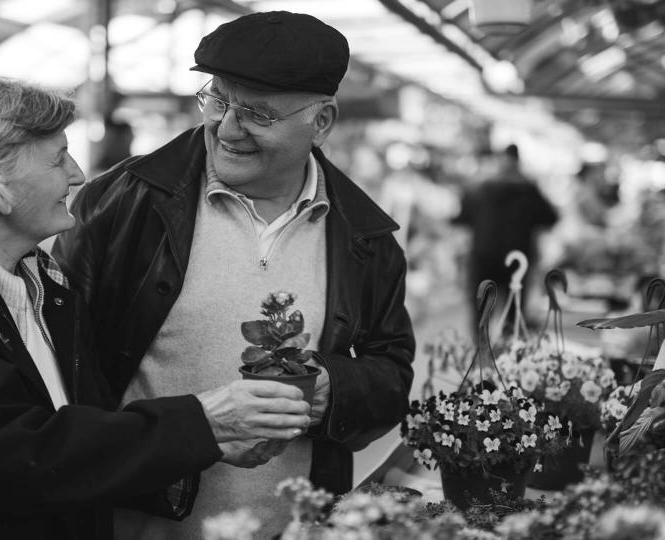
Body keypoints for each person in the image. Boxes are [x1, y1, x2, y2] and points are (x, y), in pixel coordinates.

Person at [0, 76, 312, 540]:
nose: (77, 174)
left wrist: (205, 442)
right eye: (57, 159)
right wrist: (203, 420)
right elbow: (10, 457)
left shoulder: (42, 277)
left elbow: (76, 435)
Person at [53, 11, 415, 539]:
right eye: (218, 99)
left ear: (322, 121)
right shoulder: (121, 203)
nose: (226, 128)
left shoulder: (366, 239)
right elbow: (57, 362)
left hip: (291, 528)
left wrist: (331, 388)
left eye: (257, 114)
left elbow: (392, 372)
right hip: (134, 523)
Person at [454, 144, 558, 332]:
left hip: (483, 259)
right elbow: (550, 218)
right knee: (512, 315)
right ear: (518, 162)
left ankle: (482, 354)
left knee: (482, 315)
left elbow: (461, 219)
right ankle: (506, 355)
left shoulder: (478, 188)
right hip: (517, 260)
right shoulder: (529, 190)